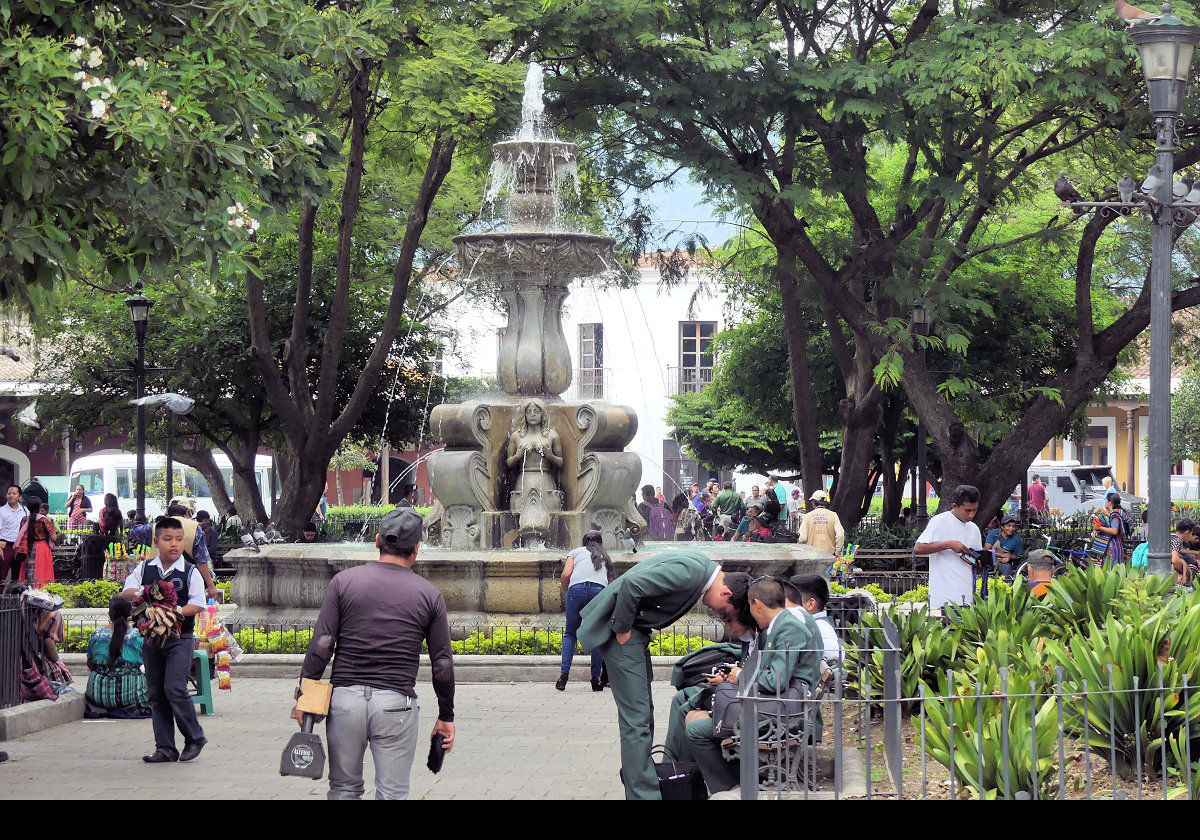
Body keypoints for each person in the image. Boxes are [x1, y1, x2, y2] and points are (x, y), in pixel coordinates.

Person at [295, 507, 454, 800]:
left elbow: (322, 644)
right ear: (417, 548)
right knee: (392, 793)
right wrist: (446, 715)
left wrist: (304, 696)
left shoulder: (344, 582)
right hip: (396, 703)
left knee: (343, 789)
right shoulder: (429, 594)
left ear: (377, 540)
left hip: (344, 702)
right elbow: (441, 664)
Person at [577, 548, 734, 799]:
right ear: (726, 593)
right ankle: (643, 794)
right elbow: (632, 583)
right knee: (636, 723)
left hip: (634, 637)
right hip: (625, 637)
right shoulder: (693, 571)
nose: (718, 614)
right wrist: (623, 628)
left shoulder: (700, 566)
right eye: (723, 611)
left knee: (641, 719)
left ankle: (642, 786)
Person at [684, 577, 821, 796]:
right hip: (781, 705)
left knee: (696, 730)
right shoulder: (781, 625)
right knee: (704, 716)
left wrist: (740, 675)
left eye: (749, 606)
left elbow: (776, 681)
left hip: (783, 714)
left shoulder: (788, 628)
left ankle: (729, 789)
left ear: (756, 603)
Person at [121, 516, 207, 762]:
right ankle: (165, 748)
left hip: (180, 638)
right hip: (151, 639)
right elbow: (127, 592)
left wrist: (175, 612)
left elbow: (197, 604)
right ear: (156, 542)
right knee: (156, 693)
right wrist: (145, 593)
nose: (174, 544)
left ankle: (195, 738)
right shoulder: (145, 568)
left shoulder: (190, 571)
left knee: (175, 688)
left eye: (179, 540)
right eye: (168, 539)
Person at [557, 530, 613, 692]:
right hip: (598, 591)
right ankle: (596, 678)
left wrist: (567, 590)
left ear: (584, 542)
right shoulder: (605, 556)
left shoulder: (575, 552)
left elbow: (567, 574)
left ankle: (563, 677)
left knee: (570, 634)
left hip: (576, 590)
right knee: (595, 634)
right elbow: (611, 582)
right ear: (601, 543)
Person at [914, 484, 983, 611]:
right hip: (945, 596)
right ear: (955, 506)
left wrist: (980, 563)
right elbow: (918, 548)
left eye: (975, 510)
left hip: (967, 596)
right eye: (967, 510)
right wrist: (949, 544)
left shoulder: (974, 529)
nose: (971, 515)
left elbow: (976, 565)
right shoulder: (940, 521)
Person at [85, 595, 150, 717]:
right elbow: (148, 663)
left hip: (98, 694)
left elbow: (90, 663)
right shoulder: (136, 637)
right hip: (131, 694)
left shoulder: (96, 635)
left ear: (109, 613)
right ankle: (130, 706)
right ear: (130, 614)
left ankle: (103, 706)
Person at [167, 501, 218, 599]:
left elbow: (135, 531)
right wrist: (210, 585)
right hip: (187, 577)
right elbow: (201, 560)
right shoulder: (194, 528)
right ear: (187, 513)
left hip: (161, 580)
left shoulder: (156, 526)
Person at [788, 574, 843, 662]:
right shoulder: (814, 626)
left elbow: (833, 658)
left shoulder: (820, 629)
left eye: (792, 601)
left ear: (810, 604)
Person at [18, 501, 58, 584]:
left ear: (28, 508)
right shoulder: (44, 519)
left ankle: (28, 591)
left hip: (27, 547)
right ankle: (41, 592)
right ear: (39, 507)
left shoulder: (24, 519)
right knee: (42, 573)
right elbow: (54, 537)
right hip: (42, 547)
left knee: (29, 571)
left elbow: (20, 534)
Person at [797, 490, 845, 556]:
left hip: (811, 555)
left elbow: (803, 538)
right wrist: (837, 552)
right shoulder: (833, 515)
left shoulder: (807, 516)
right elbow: (840, 535)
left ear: (813, 502)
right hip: (829, 555)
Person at [1090, 491, 1128, 566]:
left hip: (1113, 547)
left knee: (1112, 569)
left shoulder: (1114, 515)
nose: (1105, 502)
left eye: (1106, 501)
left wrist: (1100, 528)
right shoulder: (1117, 513)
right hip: (1115, 545)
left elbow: (1114, 531)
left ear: (1110, 502)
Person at [0, 484, 28, 582]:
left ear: (20, 497)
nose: (11, 495)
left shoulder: (25, 511)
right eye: (9, 493)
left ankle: (16, 596)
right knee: (2, 575)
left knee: (18, 576)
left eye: (14, 493)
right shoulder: (1, 511)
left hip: (20, 548)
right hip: (5, 546)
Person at [983, 515, 1024, 580]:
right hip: (990, 559)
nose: (1011, 529)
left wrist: (1008, 557)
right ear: (1002, 527)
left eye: (1013, 526)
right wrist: (1002, 554)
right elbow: (987, 550)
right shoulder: (993, 533)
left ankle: (1007, 587)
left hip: (1003, 562)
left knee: (1006, 568)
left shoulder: (1017, 539)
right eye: (1009, 526)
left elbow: (1017, 556)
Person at [1171, 519, 1199, 586]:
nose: (1192, 536)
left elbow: (1180, 550)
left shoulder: (1172, 536)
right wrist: (1185, 573)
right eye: (1191, 533)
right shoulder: (1176, 539)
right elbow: (1175, 560)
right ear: (1187, 532)